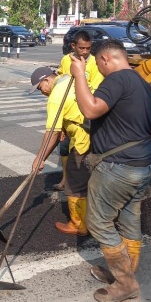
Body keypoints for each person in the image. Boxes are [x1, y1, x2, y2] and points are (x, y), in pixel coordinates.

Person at [70, 39, 151, 302]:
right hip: (142, 164)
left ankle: (126, 283)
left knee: (98, 222)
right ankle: (126, 275)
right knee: (129, 221)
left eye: (98, 63)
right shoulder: (142, 84)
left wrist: (79, 75)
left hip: (118, 168)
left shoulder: (117, 80)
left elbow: (91, 108)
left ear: (106, 59)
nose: (99, 68)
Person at [30, 66, 91, 235]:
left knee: (74, 180)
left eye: (40, 88)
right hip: (99, 134)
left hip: (83, 139)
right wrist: (64, 124)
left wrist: (40, 158)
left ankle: (78, 225)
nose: (42, 93)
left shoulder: (56, 96)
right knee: (93, 179)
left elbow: (52, 133)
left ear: (47, 80)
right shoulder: (69, 79)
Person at [53, 30, 104, 191]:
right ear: (73, 46)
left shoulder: (95, 64)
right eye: (81, 48)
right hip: (67, 113)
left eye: (88, 48)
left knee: (82, 152)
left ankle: (85, 183)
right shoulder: (66, 60)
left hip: (84, 116)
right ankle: (65, 179)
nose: (85, 52)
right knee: (64, 147)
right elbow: (60, 82)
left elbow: (95, 90)